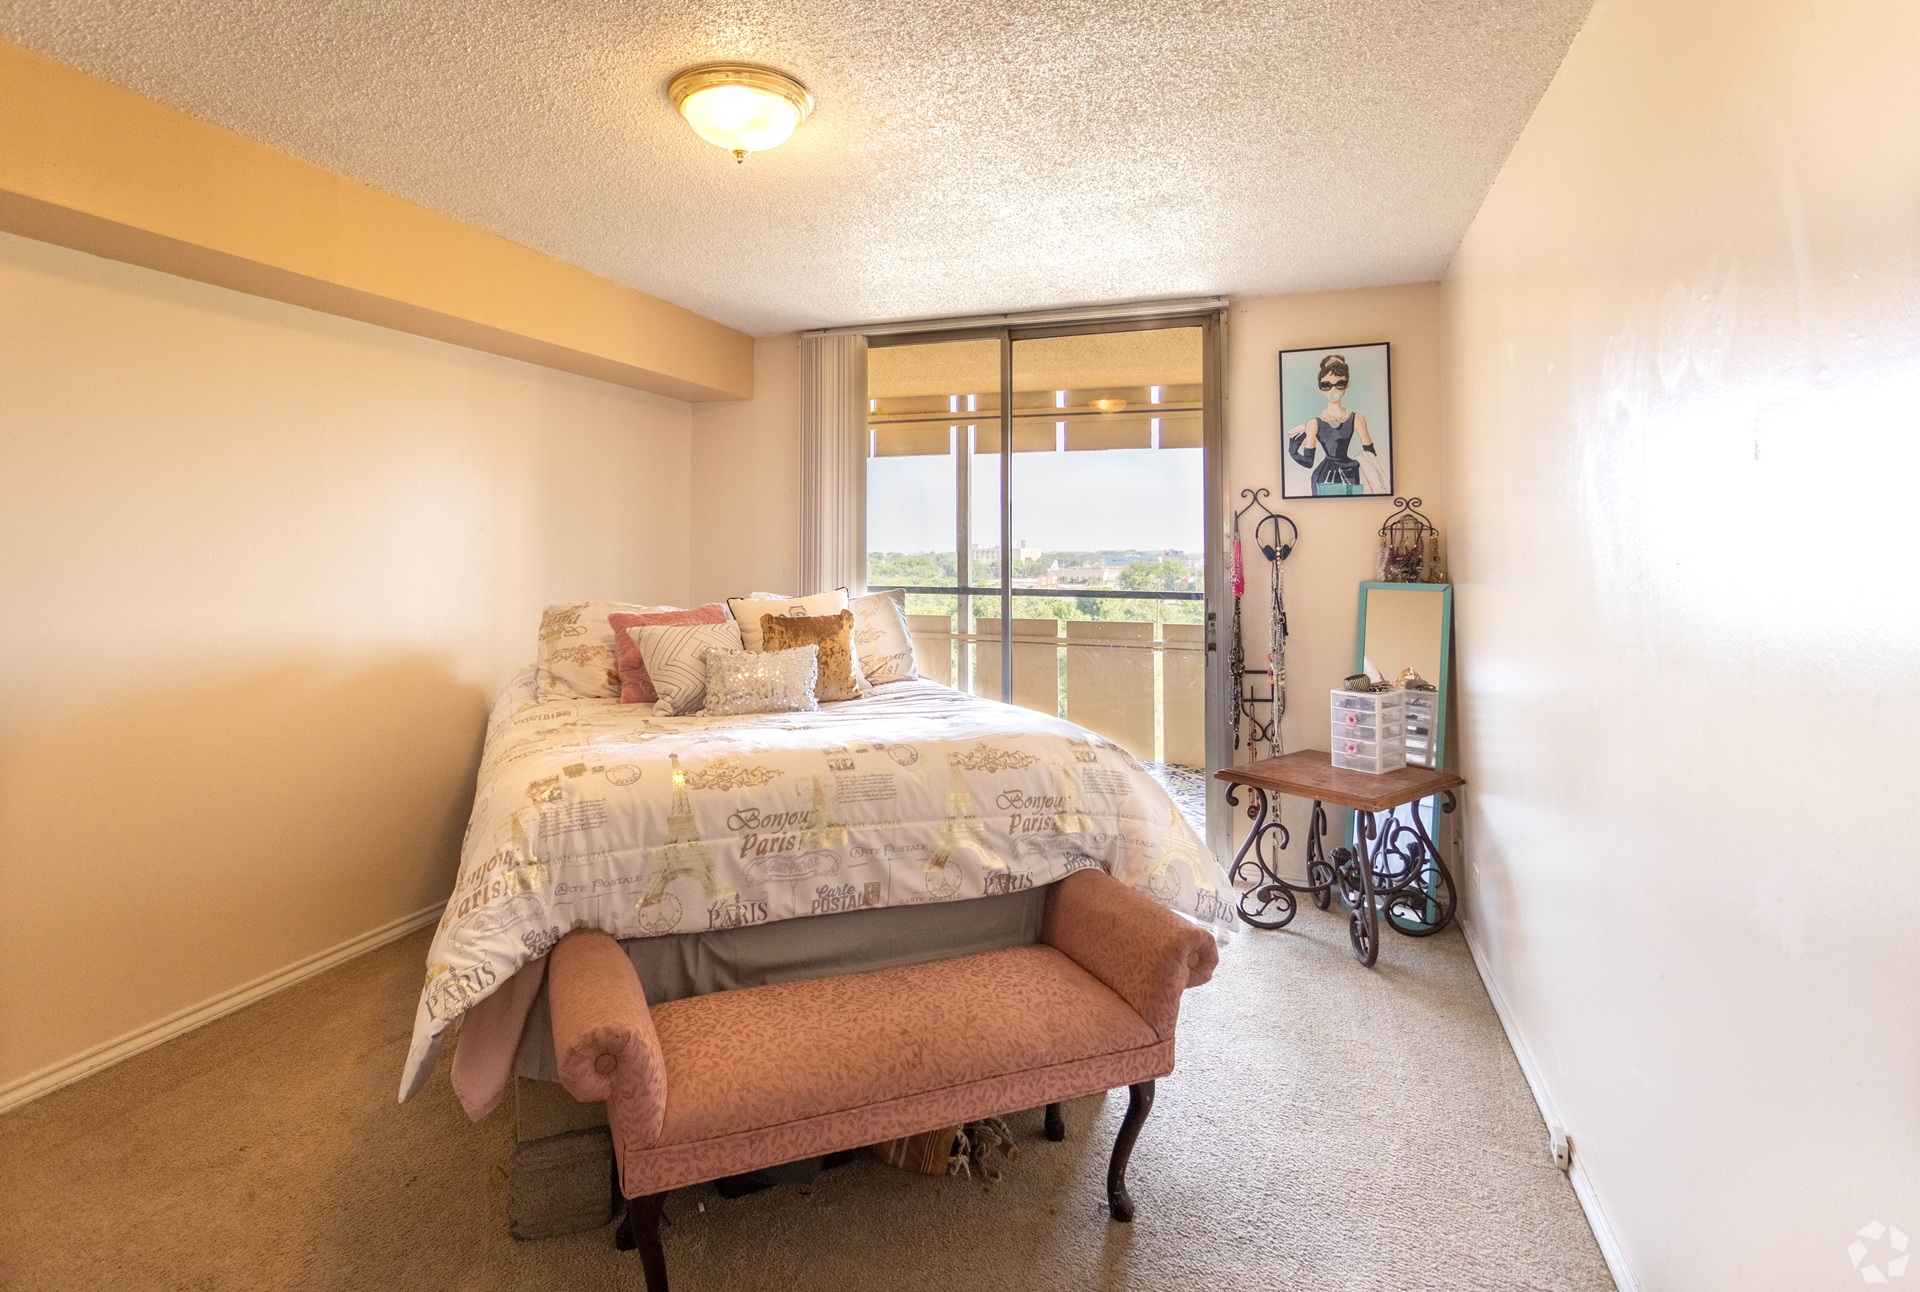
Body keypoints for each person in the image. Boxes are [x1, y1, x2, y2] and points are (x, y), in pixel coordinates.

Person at [1286, 354, 1381, 495]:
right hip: (1323, 475)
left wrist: (1356, 463)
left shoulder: (1357, 418)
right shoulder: (1313, 423)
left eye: (1340, 384)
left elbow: (1370, 454)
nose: (1333, 390)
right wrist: (1292, 452)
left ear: (1347, 385)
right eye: (1326, 385)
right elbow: (1308, 462)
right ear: (1320, 389)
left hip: (1350, 472)